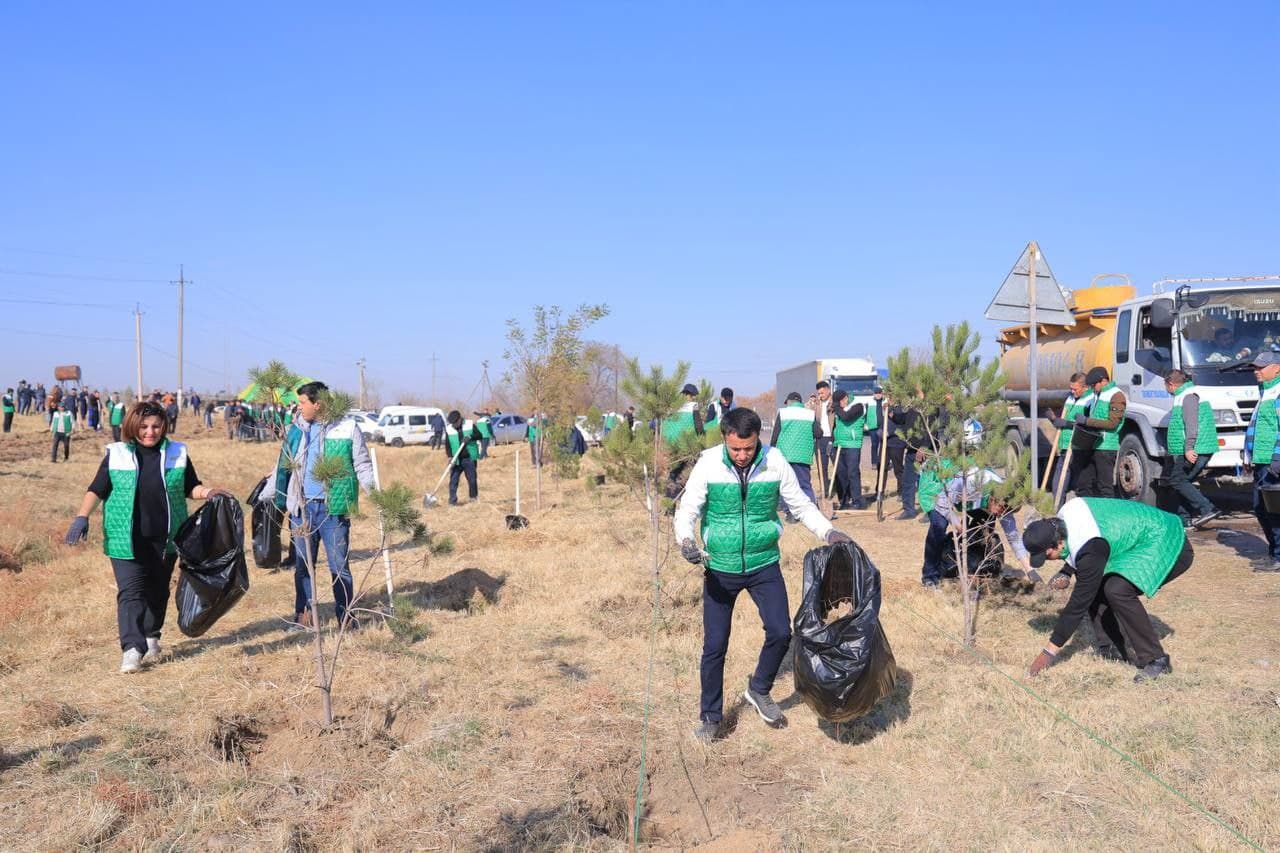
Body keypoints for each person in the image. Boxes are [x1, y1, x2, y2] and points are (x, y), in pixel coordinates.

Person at [675, 407, 850, 742]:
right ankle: (711, 717)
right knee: (715, 646)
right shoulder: (709, 463)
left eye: (749, 448)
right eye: (735, 449)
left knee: (782, 632)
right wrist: (685, 539)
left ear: (758, 439)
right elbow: (688, 509)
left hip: (763, 563)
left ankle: (759, 689)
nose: (742, 455)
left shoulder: (775, 460)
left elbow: (799, 504)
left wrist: (829, 533)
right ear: (725, 439)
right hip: (720, 568)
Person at [64, 401, 232, 673]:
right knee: (131, 592)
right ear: (132, 426)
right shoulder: (117, 454)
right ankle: (132, 648)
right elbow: (97, 489)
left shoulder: (177, 453)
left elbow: (191, 487)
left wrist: (209, 492)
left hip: (166, 538)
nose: (150, 432)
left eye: (156, 426)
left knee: (157, 590)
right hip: (125, 538)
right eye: (143, 426)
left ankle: (152, 634)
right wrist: (82, 516)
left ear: (164, 426)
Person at [1024, 497, 1194, 682]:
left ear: (1056, 545)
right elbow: (1084, 547)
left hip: (1165, 537)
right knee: (1095, 581)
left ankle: (1156, 659)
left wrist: (1049, 652)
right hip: (1140, 536)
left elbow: (1078, 605)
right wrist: (1067, 570)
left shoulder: (1089, 545)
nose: (1050, 560)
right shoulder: (1065, 516)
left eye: (1047, 557)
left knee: (1116, 589)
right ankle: (1110, 647)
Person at [259, 381, 376, 630]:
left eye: (302, 402)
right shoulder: (297, 429)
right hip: (302, 509)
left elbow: (362, 465)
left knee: (339, 568)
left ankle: (346, 620)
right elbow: (284, 463)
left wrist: (377, 496)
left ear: (318, 404)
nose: (299, 407)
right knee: (303, 568)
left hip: (333, 509)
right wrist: (269, 493)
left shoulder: (346, 428)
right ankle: (304, 619)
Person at [921, 467, 1031, 588]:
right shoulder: (973, 482)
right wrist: (957, 524)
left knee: (984, 531)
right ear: (994, 499)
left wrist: (1030, 570)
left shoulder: (1006, 498)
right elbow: (942, 502)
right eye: (1000, 510)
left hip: (976, 501)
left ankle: (973, 571)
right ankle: (930, 576)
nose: (1000, 515)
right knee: (938, 526)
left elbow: (1013, 536)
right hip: (938, 490)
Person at [1160, 369, 1221, 528]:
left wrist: (1188, 448)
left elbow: (1191, 425)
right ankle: (1184, 519)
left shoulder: (1188, 397)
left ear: (1171, 384)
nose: (1166, 390)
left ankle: (1207, 508)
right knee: (1182, 482)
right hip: (1195, 447)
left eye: (1165, 386)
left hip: (1194, 448)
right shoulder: (1185, 394)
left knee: (1177, 480)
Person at [1243, 351, 1280, 572]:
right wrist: (1247, 455)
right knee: (1260, 507)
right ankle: (1273, 552)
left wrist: (1277, 458)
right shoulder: (1264, 392)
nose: (1257, 371)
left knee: (1274, 511)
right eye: (1255, 368)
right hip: (1260, 460)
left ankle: (1278, 556)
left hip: (1272, 462)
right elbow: (1255, 428)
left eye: (1261, 367)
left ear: (1277, 368)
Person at [1073, 367, 1125, 498]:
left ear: (1103, 381)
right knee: (1084, 483)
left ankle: (1108, 515)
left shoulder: (1116, 395)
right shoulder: (1097, 394)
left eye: (1094, 385)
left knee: (1104, 486)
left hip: (1106, 447)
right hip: (1092, 444)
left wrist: (1087, 421)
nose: (1092, 388)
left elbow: (1112, 423)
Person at [769, 391, 823, 503]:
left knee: (785, 483)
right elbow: (818, 433)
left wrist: (771, 450)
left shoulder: (783, 413)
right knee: (804, 483)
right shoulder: (809, 414)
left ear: (789, 402)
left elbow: (775, 434)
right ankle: (810, 507)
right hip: (803, 455)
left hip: (784, 455)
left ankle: (788, 511)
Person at [1047, 373, 1093, 496]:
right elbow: (1063, 415)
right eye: (1071, 388)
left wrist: (1067, 424)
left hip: (1079, 447)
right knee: (1058, 480)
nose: (1072, 391)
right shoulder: (1070, 398)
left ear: (1085, 387)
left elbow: (1089, 424)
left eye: (1075, 389)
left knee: (1080, 483)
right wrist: (1054, 419)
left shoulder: (1090, 401)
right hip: (1065, 445)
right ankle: (1057, 508)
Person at [885, 395, 924, 519]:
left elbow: (932, 430)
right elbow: (903, 419)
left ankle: (931, 512)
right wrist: (891, 412)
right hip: (912, 449)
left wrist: (924, 447)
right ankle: (909, 510)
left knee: (927, 483)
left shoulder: (928, 409)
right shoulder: (913, 409)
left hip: (925, 451)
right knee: (908, 481)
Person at [663, 383, 705, 496]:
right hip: (687, 445)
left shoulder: (673, 405)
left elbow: (666, 424)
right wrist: (703, 440)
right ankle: (682, 496)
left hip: (671, 444)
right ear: (687, 395)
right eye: (693, 395)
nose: (694, 398)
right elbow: (699, 426)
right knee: (687, 472)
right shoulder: (693, 406)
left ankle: (669, 501)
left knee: (673, 472)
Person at [830, 389, 867, 510]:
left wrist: (836, 408)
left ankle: (857, 501)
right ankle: (844, 500)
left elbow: (846, 417)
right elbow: (835, 425)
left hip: (852, 444)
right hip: (839, 444)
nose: (839, 405)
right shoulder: (838, 409)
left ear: (845, 398)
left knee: (853, 473)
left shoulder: (858, 405)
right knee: (841, 474)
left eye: (839, 402)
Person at [444, 410, 483, 505]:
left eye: (455, 423)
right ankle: (452, 501)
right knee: (453, 481)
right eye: (452, 423)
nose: (454, 425)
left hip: (469, 458)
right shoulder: (449, 429)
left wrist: (470, 437)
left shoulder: (469, 424)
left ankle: (473, 499)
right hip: (456, 459)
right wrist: (449, 456)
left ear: (460, 419)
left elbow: (479, 435)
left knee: (472, 480)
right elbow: (447, 445)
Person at [814, 381, 834, 491]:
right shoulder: (817, 404)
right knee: (822, 467)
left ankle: (841, 489)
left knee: (838, 465)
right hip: (821, 439)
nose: (820, 395)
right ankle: (825, 490)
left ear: (828, 390)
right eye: (819, 393)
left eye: (822, 393)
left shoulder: (834, 402)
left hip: (833, 438)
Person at [867, 387, 885, 470]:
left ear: (882, 394)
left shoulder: (885, 402)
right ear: (874, 394)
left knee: (883, 446)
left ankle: (882, 462)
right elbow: (865, 413)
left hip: (883, 427)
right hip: (873, 427)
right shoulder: (869, 402)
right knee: (874, 445)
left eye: (879, 393)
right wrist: (866, 424)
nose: (878, 395)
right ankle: (874, 463)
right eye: (876, 393)